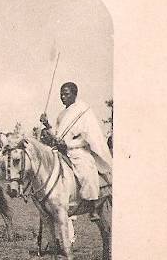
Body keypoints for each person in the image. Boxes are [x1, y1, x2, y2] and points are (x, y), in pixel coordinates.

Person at [40, 82, 113, 219]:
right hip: (61, 152)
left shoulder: (83, 111)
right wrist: (47, 124)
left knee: (86, 171)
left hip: (78, 151)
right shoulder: (61, 115)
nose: (63, 97)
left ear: (75, 94)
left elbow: (88, 138)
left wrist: (68, 144)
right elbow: (57, 135)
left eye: (66, 94)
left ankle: (93, 205)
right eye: (61, 94)